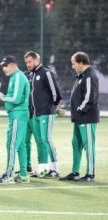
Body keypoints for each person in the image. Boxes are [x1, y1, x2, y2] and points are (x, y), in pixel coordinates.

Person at [60, 52, 99, 182]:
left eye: (74, 63)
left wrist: (79, 110)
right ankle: (75, 172)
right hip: (79, 117)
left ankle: (90, 174)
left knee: (89, 145)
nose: (72, 66)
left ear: (81, 63)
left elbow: (90, 98)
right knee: (76, 144)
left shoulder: (89, 76)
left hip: (87, 117)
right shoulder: (81, 76)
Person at [24, 51, 62, 178]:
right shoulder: (31, 75)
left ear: (36, 60)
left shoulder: (46, 73)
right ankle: (43, 169)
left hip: (46, 113)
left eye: (30, 62)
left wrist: (51, 107)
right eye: (26, 63)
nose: (28, 64)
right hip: (35, 114)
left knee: (46, 139)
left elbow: (56, 93)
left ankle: (55, 169)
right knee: (40, 141)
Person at [0, 55, 30, 184]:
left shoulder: (18, 76)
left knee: (12, 144)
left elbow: (16, 99)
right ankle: (24, 175)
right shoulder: (15, 76)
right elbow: (14, 96)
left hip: (18, 115)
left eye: (6, 65)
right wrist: (3, 96)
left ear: (14, 65)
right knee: (20, 145)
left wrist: (2, 97)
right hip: (17, 114)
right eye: (3, 66)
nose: (4, 68)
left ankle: (8, 175)